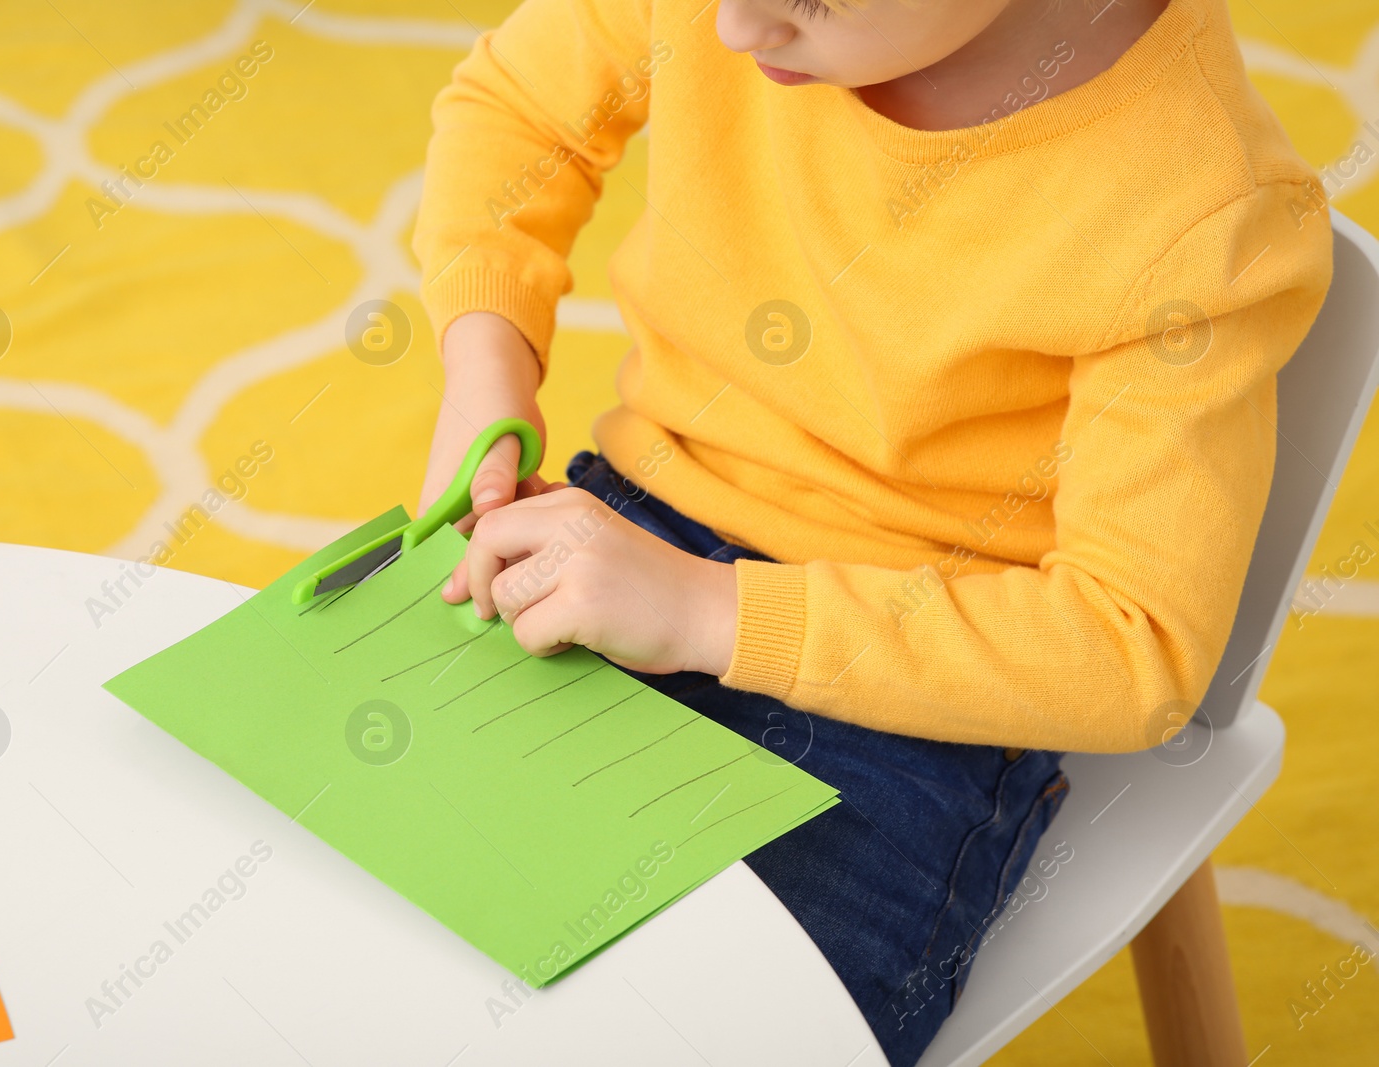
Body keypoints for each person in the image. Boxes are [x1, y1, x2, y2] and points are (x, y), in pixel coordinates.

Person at [410, 0, 1332, 1059]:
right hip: (626, 528)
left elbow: (1132, 644)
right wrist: (485, 363)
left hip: (919, 680)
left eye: (810, 0)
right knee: (360, 892)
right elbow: (519, 108)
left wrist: (710, 611)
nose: (733, 32)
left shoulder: (1199, 209)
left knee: (707, 1022)